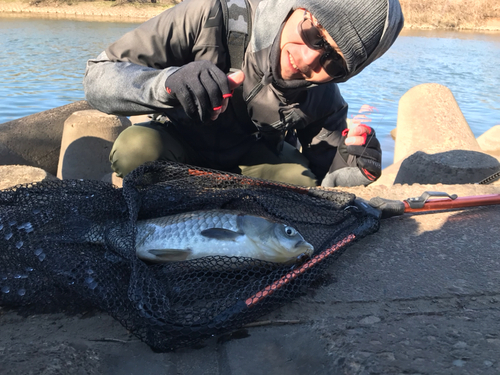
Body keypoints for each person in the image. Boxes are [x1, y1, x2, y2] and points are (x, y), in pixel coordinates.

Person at [83, 0, 404, 187]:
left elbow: (326, 175)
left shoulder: (322, 96)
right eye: (313, 33)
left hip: (250, 162)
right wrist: (168, 83)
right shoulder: (212, 13)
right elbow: (97, 76)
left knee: (302, 182)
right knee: (135, 149)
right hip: (177, 144)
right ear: (298, 6)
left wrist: (357, 166)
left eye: (334, 60)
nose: (308, 59)